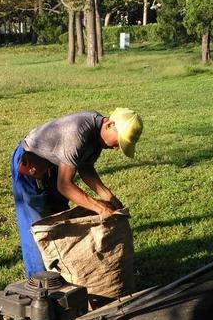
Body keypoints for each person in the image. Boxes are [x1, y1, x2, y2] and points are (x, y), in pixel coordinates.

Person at [12, 108, 143, 277]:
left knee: (60, 219)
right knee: (40, 227)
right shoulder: (77, 134)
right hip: (31, 165)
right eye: (119, 141)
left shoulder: (97, 134)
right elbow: (64, 185)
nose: (118, 148)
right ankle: (39, 284)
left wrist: (108, 197)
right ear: (109, 125)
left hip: (54, 167)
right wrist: (101, 209)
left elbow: (85, 168)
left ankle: (63, 275)